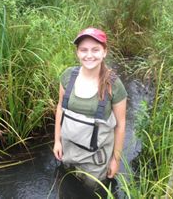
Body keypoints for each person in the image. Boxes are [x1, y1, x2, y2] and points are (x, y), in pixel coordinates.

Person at [53, 27, 127, 196]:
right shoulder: (67, 76)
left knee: (92, 193)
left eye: (95, 49)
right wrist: (57, 141)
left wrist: (116, 161)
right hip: (68, 150)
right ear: (78, 53)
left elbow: (121, 125)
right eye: (83, 50)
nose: (89, 55)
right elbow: (60, 107)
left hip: (95, 161)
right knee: (67, 189)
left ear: (104, 52)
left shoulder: (114, 85)